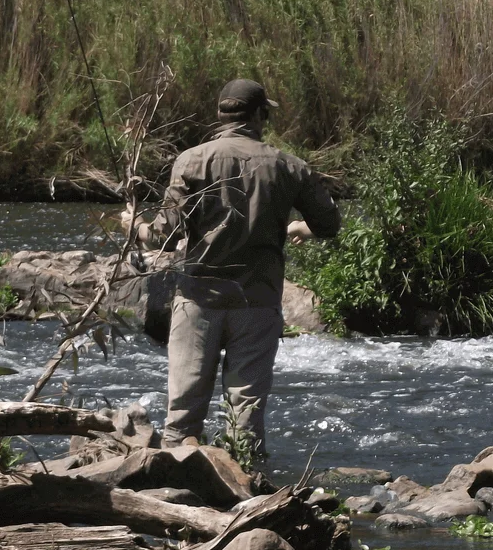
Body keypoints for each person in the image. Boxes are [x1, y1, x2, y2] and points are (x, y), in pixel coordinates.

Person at [125, 79, 341, 455]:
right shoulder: (289, 166)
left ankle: (175, 490)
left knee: (182, 416)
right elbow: (330, 223)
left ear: (221, 115)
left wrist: (134, 226)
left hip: (197, 300)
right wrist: (301, 227)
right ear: (260, 115)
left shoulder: (191, 160)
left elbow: (165, 235)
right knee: (246, 418)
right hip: (256, 303)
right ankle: (247, 492)